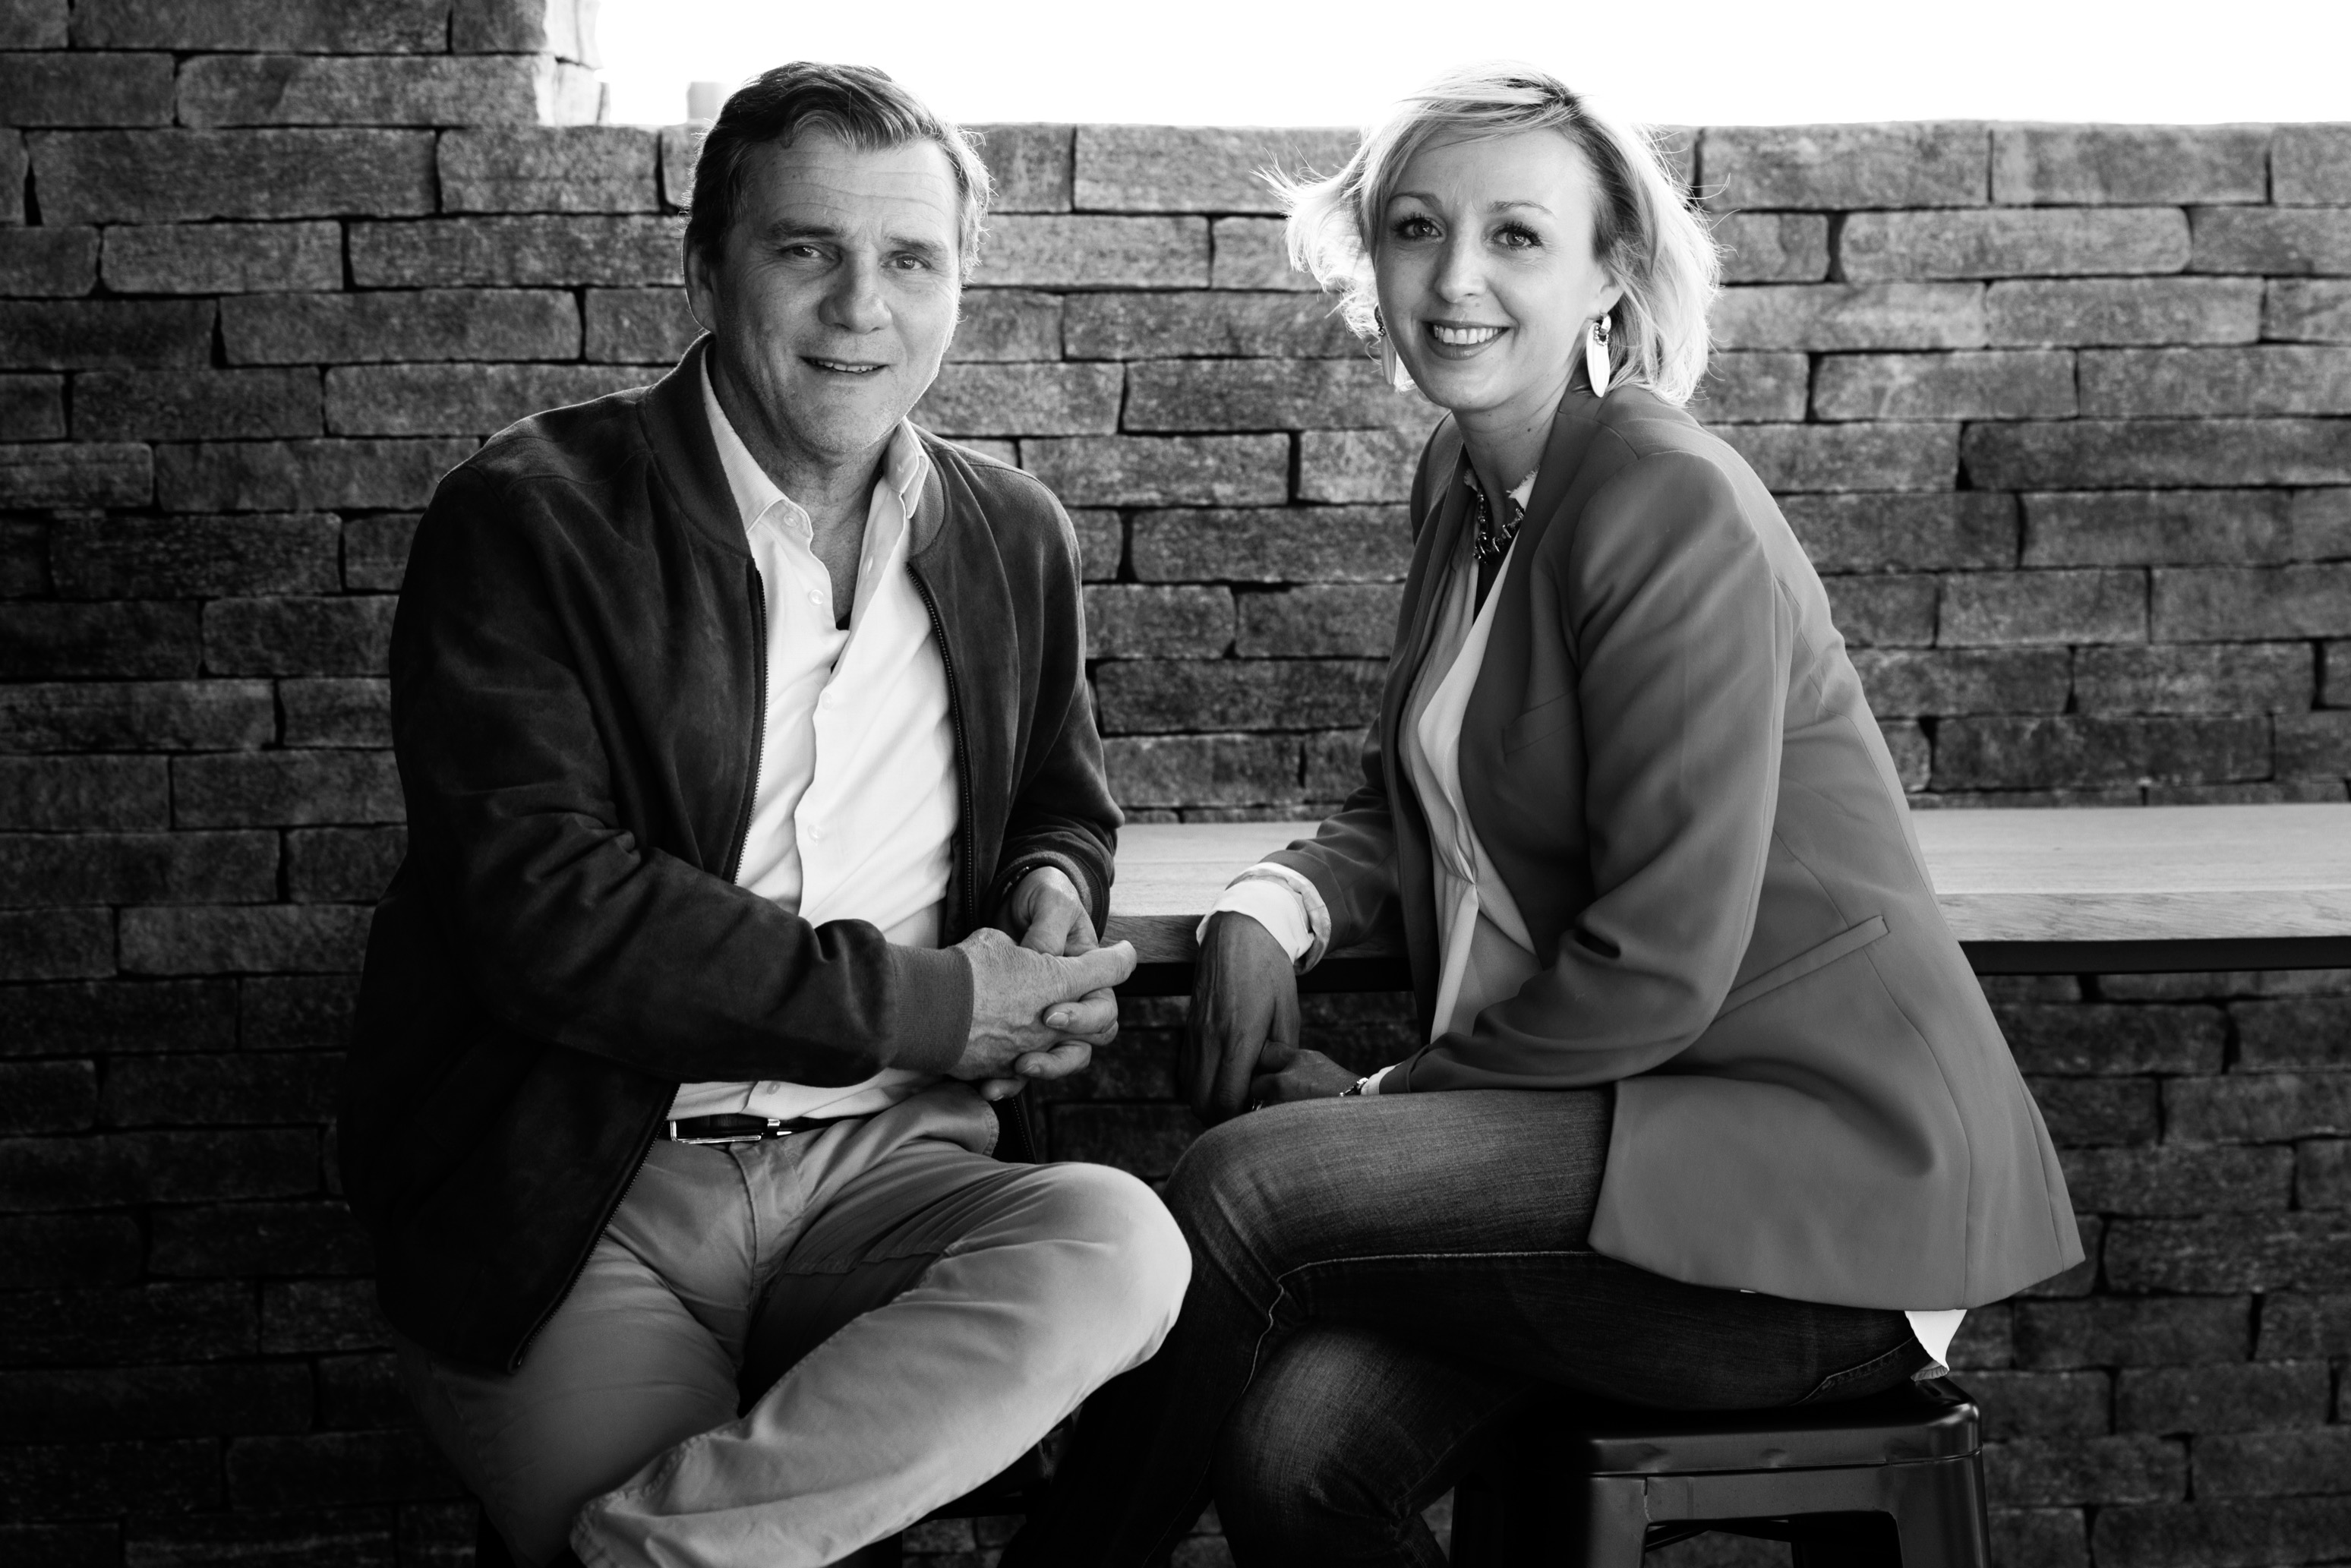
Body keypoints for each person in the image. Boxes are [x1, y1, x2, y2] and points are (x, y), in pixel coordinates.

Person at [1003, 64, 2080, 1568]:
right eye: (1417, 228)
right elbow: (1436, 796)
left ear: (1608, 270)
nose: (1457, 279)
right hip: (1615, 1163)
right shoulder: (1469, 480)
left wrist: (1383, 1108)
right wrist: (1276, 903)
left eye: (1516, 235)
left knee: (1244, 1188)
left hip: (1816, 1202)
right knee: (1294, 1458)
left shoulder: (1665, 498)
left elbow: (1659, 964)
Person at [337, 62, 1190, 1568]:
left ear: (959, 286)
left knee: (1122, 1243)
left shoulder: (1014, 536)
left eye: (911, 259)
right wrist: (937, 1003)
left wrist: (1052, 896)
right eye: (808, 249)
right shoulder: (529, 515)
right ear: (705, 267)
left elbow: (1060, 804)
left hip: (891, 1172)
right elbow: (548, 907)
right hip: (584, 1192)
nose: (862, 305)